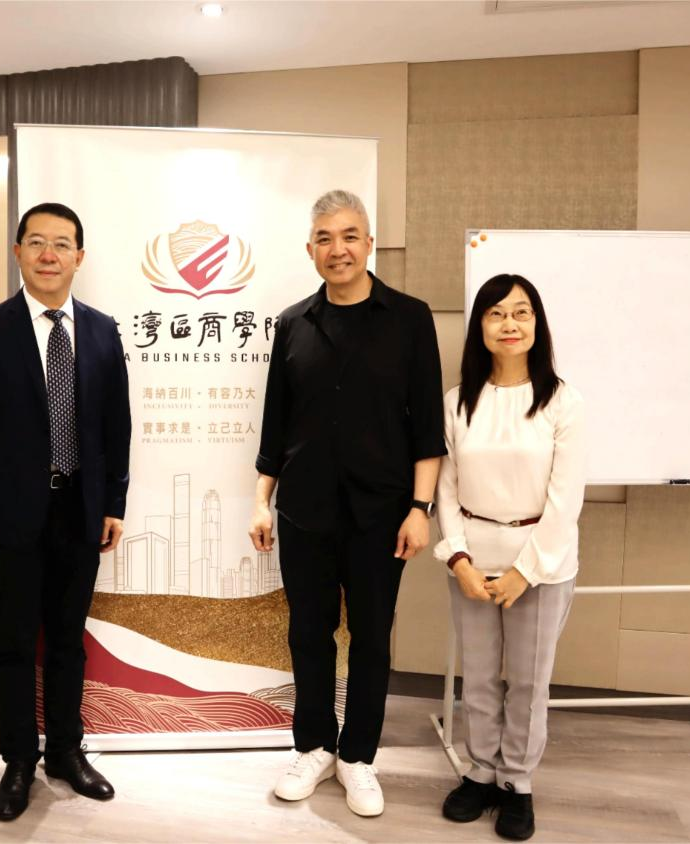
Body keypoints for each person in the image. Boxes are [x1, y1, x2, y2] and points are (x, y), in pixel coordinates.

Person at [249, 190, 446, 817]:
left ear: (369, 243)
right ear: (310, 250)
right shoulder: (293, 324)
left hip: (381, 516)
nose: (339, 249)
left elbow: (427, 428)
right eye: (326, 239)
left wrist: (420, 509)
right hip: (303, 511)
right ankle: (313, 747)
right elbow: (275, 426)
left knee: (371, 639)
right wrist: (261, 501)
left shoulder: (409, 319)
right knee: (308, 635)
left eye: (350, 236)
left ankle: (358, 757)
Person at [0, 202, 131, 822]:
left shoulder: (102, 330)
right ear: (18, 252)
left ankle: (66, 752)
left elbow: (116, 425)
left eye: (61, 244)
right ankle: (19, 760)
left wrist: (113, 502)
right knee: (14, 641)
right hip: (11, 516)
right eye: (36, 242)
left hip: (80, 510)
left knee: (67, 641)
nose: (48, 255)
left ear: (80, 256)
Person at [434, 274, 586, 841]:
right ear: (480, 326)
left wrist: (525, 571)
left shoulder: (563, 402)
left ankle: (517, 782)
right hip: (473, 562)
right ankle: (480, 771)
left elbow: (565, 501)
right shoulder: (457, 403)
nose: (509, 324)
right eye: (496, 313)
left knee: (527, 682)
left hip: (541, 567)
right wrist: (460, 561)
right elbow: (446, 490)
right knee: (478, 678)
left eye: (521, 313)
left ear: (537, 324)